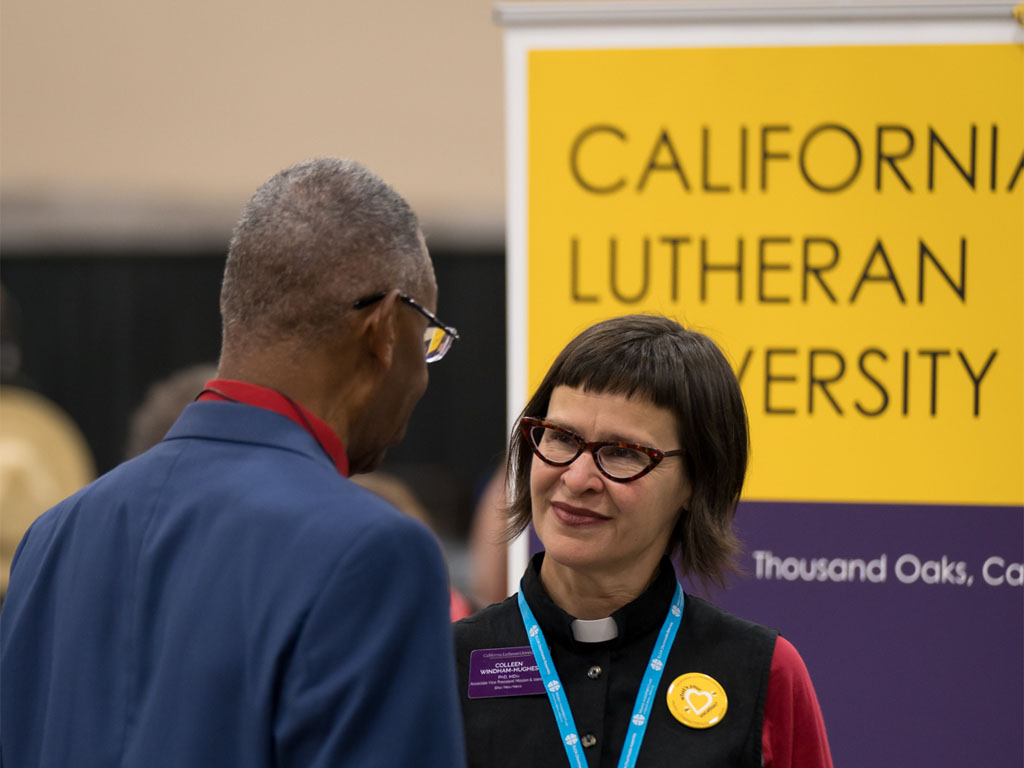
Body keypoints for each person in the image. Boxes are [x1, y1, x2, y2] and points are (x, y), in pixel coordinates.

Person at [1, 158, 467, 768]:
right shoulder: (373, 553)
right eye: (426, 338)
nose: (422, 378)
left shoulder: (53, 538)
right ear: (381, 332)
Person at [455, 314, 832, 768]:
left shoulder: (763, 673)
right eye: (560, 437)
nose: (577, 478)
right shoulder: (443, 663)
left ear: (698, 481)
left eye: (623, 452)